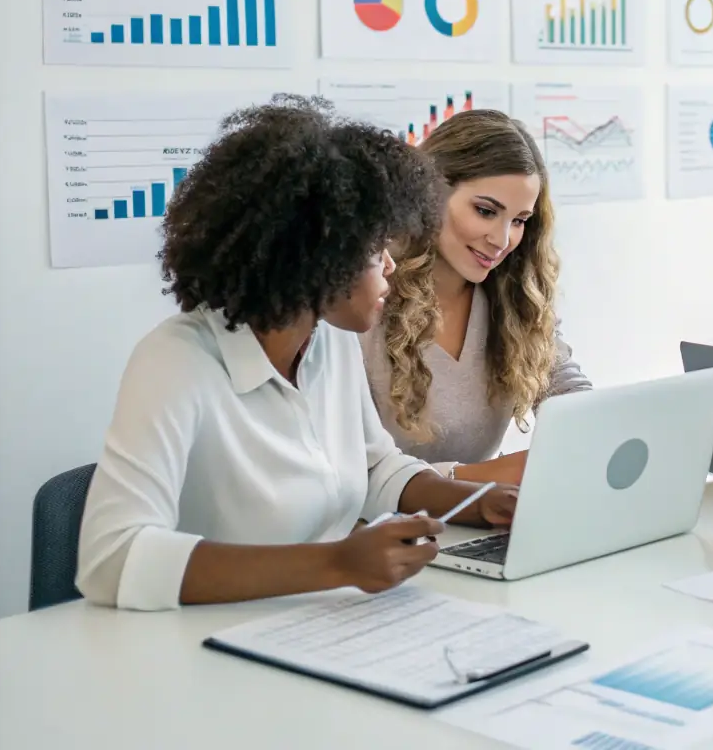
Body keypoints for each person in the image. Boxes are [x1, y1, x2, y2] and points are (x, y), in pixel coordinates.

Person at [78, 98, 518, 611]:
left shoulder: (329, 340)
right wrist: (335, 564)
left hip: (318, 620)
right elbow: (110, 559)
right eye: (375, 251)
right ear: (316, 257)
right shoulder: (175, 363)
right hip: (207, 638)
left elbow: (375, 468)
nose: (392, 267)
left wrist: (479, 503)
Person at [362, 109, 589, 485]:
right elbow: (349, 470)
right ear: (430, 192)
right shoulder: (363, 298)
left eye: (518, 220)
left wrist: (594, 427)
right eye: (485, 211)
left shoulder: (514, 296)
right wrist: (481, 477)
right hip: (381, 530)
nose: (501, 241)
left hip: (480, 524)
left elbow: (563, 383)